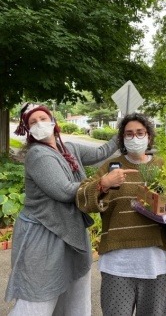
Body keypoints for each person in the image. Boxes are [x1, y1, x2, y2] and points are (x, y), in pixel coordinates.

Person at [76, 113, 166, 316]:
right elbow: (82, 199)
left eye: (140, 133)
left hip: (158, 264)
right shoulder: (110, 167)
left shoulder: (165, 168)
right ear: (122, 138)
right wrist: (104, 184)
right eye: (129, 134)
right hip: (118, 265)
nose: (134, 138)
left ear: (149, 136)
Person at [5, 103, 119, 316]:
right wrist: (102, 184)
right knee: (39, 297)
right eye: (33, 122)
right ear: (27, 130)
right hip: (43, 234)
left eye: (42, 118)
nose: (39, 124)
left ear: (53, 120)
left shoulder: (69, 149)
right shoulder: (38, 155)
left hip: (69, 229)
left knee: (75, 291)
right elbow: (64, 191)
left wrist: (121, 134)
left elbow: (101, 152)